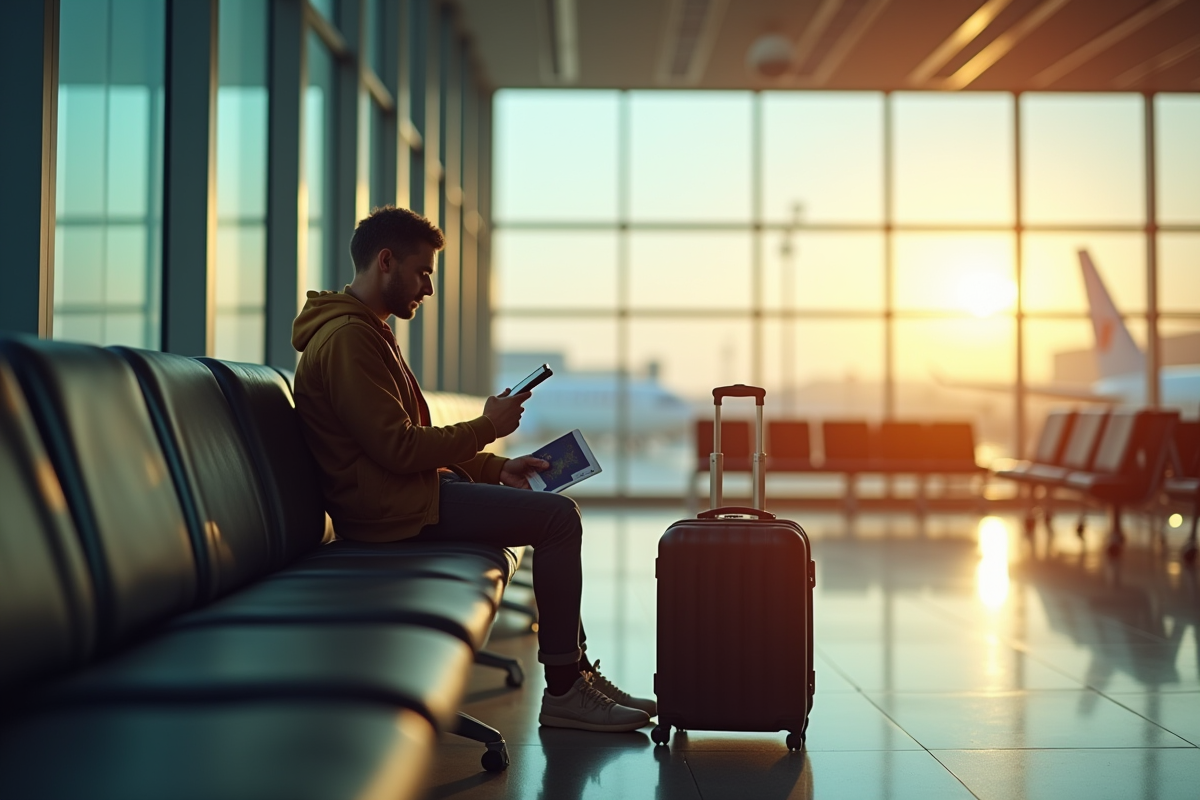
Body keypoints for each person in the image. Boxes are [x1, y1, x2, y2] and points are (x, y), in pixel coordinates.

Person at [290, 205, 655, 733]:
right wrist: (487, 426)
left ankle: (575, 675)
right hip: (387, 512)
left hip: (401, 497)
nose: (428, 288)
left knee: (550, 513)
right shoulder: (350, 338)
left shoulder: (366, 331)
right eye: (423, 272)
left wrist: (496, 468)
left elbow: (404, 441)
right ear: (386, 261)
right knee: (558, 519)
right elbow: (400, 449)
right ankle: (565, 690)